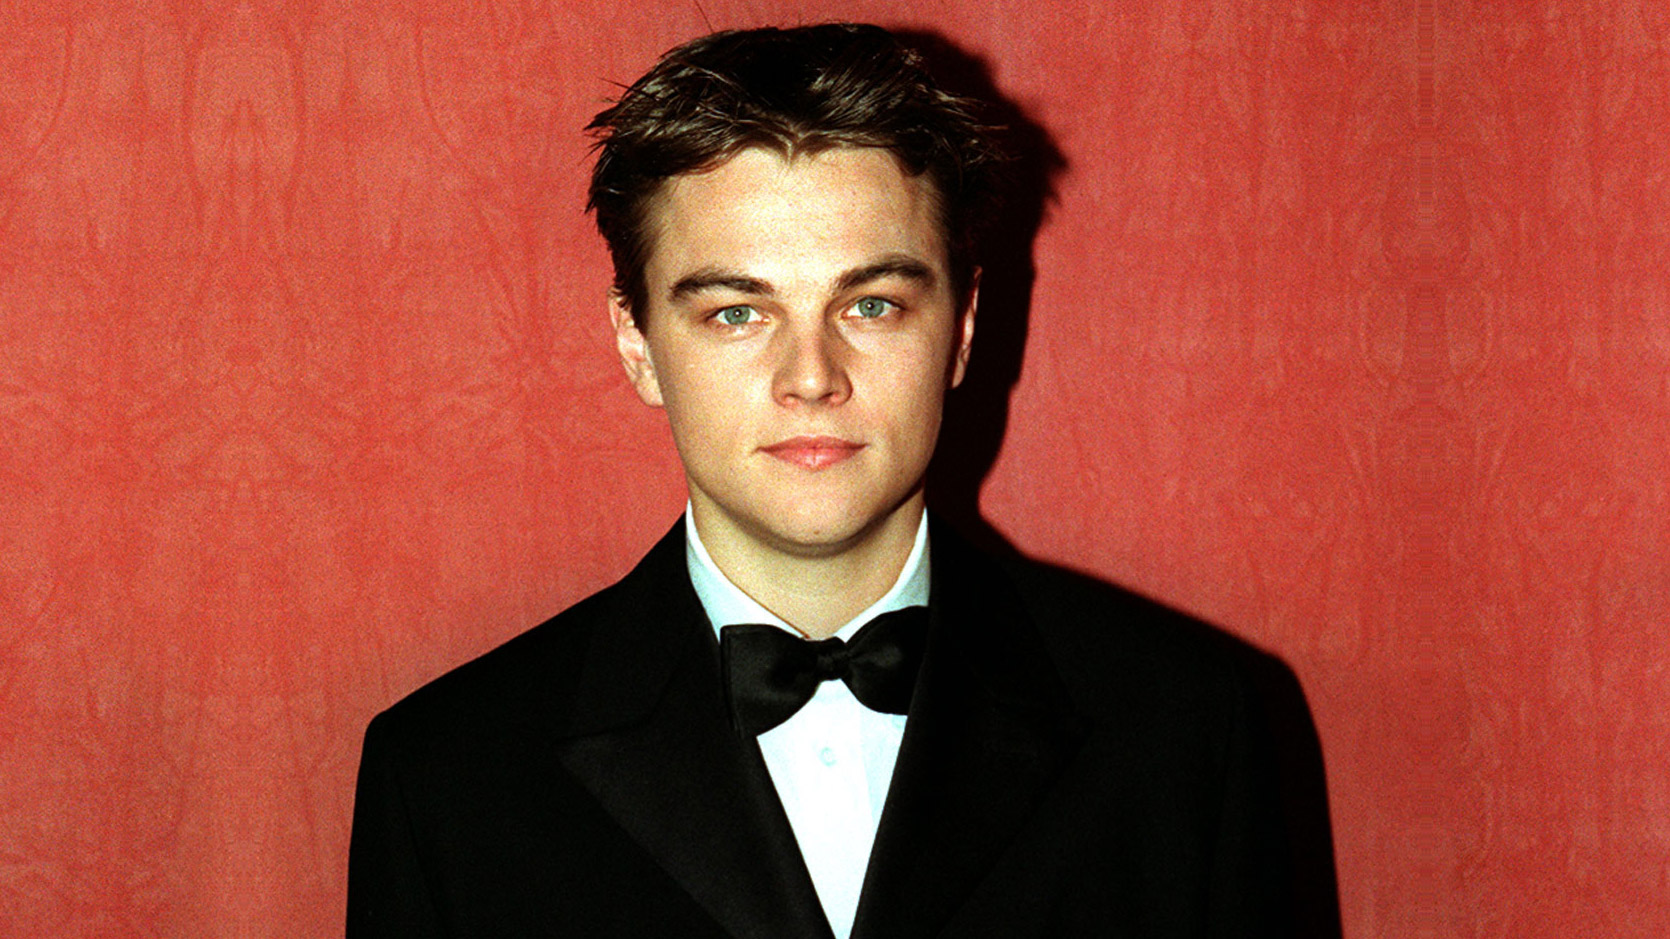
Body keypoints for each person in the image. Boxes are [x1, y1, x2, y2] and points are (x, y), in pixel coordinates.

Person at [348, 23, 1298, 938]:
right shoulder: (445, 777)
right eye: (736, 313)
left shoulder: (1187, 733)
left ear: (962, 329)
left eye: (871, 304)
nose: (812, 377)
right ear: (636, 342)